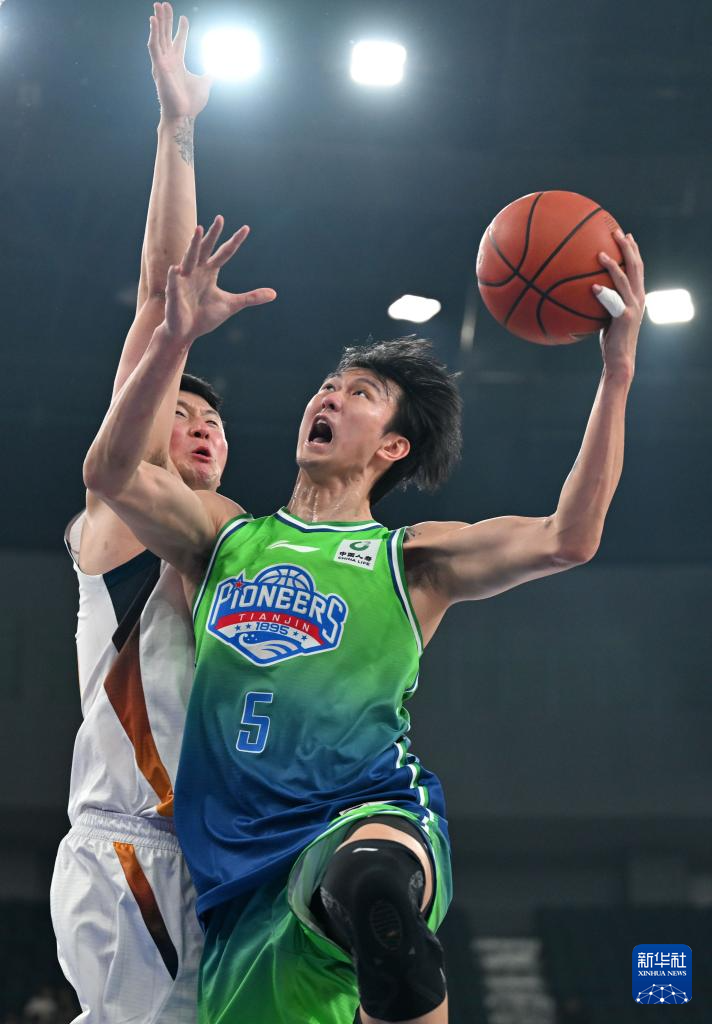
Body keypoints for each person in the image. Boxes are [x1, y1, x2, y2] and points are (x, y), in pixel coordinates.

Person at [83, 217, 644, 1024]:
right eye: (329, 386)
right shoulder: (224, 537)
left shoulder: (411, 558)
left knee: (375, 890)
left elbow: (569, 538)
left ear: (392, 449)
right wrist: (174, 338)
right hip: (240, 869)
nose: (330, 396)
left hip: (363, 811)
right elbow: (110, 472)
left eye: (360, 394)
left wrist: (617, 371)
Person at [50, 6, 274, 1022]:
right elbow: (157, 296)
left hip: (213, 851)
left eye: (211, 420)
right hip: (131, 845)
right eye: (178, 410)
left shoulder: (232, 538)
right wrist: (177, 130)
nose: (200, 423)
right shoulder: (122, 515)